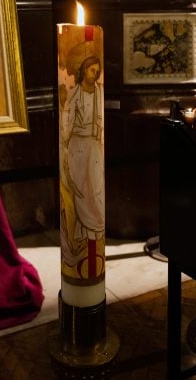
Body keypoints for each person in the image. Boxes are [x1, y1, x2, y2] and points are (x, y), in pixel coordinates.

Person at [59, 55, 105, 279]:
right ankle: (83, 233)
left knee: (95, 189)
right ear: (83, 71)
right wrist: (65, 150)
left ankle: (95, 229)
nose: (94, 74)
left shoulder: (99, 92)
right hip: (77, 145)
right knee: (80, 190)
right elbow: (66, 123)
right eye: (91, 70)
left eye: (97, 70)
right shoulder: (75, 94)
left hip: (93, 145)